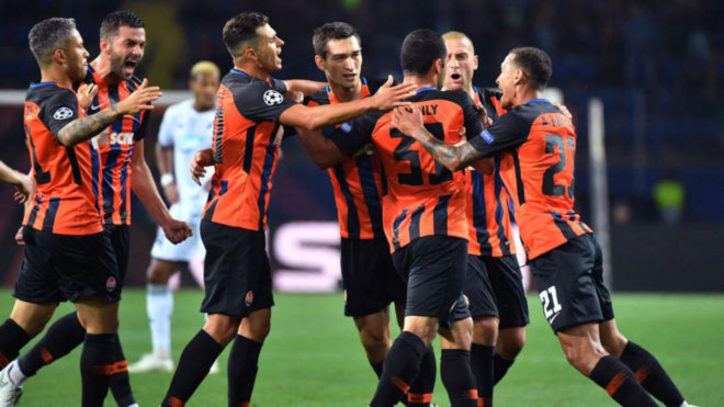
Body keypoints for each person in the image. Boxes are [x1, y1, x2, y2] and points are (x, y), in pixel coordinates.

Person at [391, 46, 697, 407]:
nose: (498, 78)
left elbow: (458, 158)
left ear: (520, 76)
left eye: (504, 71)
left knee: (583, 353)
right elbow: (517, 148)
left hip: (553, 246)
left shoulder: (518, 120)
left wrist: (417, 131)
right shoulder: (558, 115)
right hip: (579, 237)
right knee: (613, 342)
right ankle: (680, 405)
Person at [160, 12, 415, 406]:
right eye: (272, 40)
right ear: (250, 52)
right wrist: (373, 103)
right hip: (233, 220)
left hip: (245, 220)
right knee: (223, 325)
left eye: (355, 56)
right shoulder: (251, 93)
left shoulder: (249, 85)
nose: (280, 44)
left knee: (256, 324)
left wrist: (337, 88)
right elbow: (310, 117)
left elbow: (292, 89)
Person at [0, 11, 191, 407]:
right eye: (130, 43)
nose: (138, 51)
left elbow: (135, 165)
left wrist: (165, 218)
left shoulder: (133, 93)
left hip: (103, 222)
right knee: (102, 325)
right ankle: (124, 403)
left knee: (56, 321)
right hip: (80, 225)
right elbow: (57, 143)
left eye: (142, 43)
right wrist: (32, 203)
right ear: (104, 45)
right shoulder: (73, 86)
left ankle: (15, 374)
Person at [297, 28, 488, 407]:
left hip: (401, 233)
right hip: (377, 235)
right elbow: (484, 161)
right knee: (387, 337)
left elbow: (327, 149)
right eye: (340, 57)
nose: (351, 64)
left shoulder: (383, 103)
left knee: (431, 328)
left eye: (356, 54)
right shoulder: (342, 107)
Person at [440, 31, 529, 405]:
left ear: (476, 62)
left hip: (498, 234)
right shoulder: (429, 107)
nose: (456, 63)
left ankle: (471, 396)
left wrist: (558, 109)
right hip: (458, 234)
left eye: (463, 56)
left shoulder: (499, 104)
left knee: (514, 338)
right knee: (486, 326)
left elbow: (536, 106)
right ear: (437, 65)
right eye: (448, 58)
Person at [129, 60, 221, 373]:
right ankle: (161, 353)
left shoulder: (225, 117)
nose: (209, 89)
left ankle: (210, 357)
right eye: (203, 83)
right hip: (182, 210)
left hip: (215, 211)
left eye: (214, 84)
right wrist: (167, 181)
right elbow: (162, 147)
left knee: (215, 282)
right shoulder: (176, 115)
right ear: (193, 84)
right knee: (157, 274)